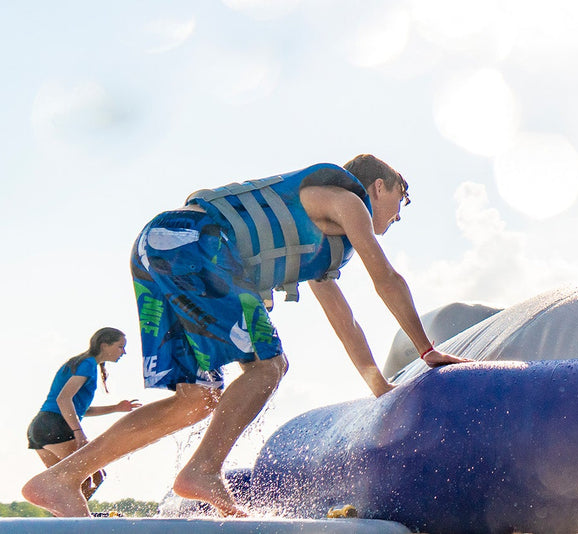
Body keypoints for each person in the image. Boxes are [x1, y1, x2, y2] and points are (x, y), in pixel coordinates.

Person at [23, 155, 471, 518]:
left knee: (197, 398)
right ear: (379, 186)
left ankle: (62, 478)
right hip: (196, 242)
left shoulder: (326, 248)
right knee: (268, 366)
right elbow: (386, 277)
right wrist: (426, 349)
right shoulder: (346, 200)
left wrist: (378, 387)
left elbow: (345, 319)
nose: (400, 212)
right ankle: (203, 468)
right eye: (402, 198)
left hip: (159, 244)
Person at [25, 327, 143, 501]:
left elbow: (77, 409)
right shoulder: (87, 364)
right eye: (120, 346)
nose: (124, 352)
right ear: (104, 345)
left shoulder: (80, 362)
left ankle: (58, 523)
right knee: (93, 477)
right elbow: (63, 399)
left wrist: (115, 408)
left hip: (39, 427)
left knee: (62, 485)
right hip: (55, 426)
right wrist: (78, 433)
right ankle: (73, 522)